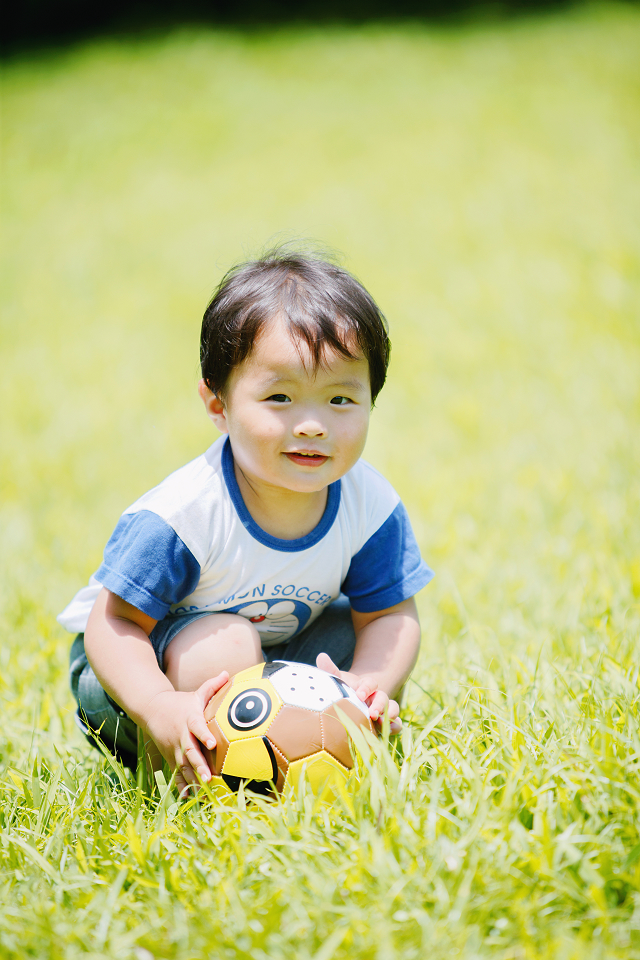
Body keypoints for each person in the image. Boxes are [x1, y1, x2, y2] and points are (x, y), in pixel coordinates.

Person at [58, 248, 434, 795]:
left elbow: (391, 615)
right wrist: (159, 706)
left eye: (339, 399)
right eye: (279, 397)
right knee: (225, 644)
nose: (311, 425)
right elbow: (111, 626)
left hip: (277, 650)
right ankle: (203, 781)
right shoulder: (186, 513)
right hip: (131, 678)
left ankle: (311, 746)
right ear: (219, 405)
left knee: (355, 635)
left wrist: (368, 685)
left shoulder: (369, 504)